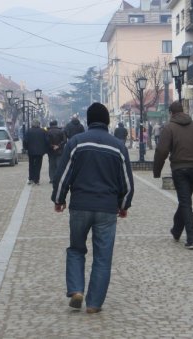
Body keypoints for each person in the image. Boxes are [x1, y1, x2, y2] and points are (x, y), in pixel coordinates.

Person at [52, 103, 134, 314]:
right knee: (103, 257)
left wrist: (59, 199)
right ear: (107, 121)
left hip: (80, 206)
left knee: (76, 249)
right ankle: (95, 303)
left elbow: (63, 175)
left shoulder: (76, 143)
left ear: (88, 121)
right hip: (107, 209)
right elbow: (127, 181)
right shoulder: (118, 146)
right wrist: (123, 205)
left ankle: (77, 289)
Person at [153, 101, 193, 250]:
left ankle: (191, 238)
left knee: (185, 202)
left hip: (179, 169)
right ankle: (176, 230)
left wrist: (157, 171)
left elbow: (162, 151)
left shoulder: (169, 128)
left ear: (171, 113)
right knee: (185, 201)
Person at [23, 120, 48, 185]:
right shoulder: (43, 131)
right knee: (38, 166)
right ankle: (36, 180)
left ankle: (31, 178)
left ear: (32, 124)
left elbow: (25, 140)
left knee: (31, 165)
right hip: (40, 152)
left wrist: (25, 148)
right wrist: (45, 150)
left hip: (31, 151)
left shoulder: (28, 131)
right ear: (39, 124)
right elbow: (47, 141)